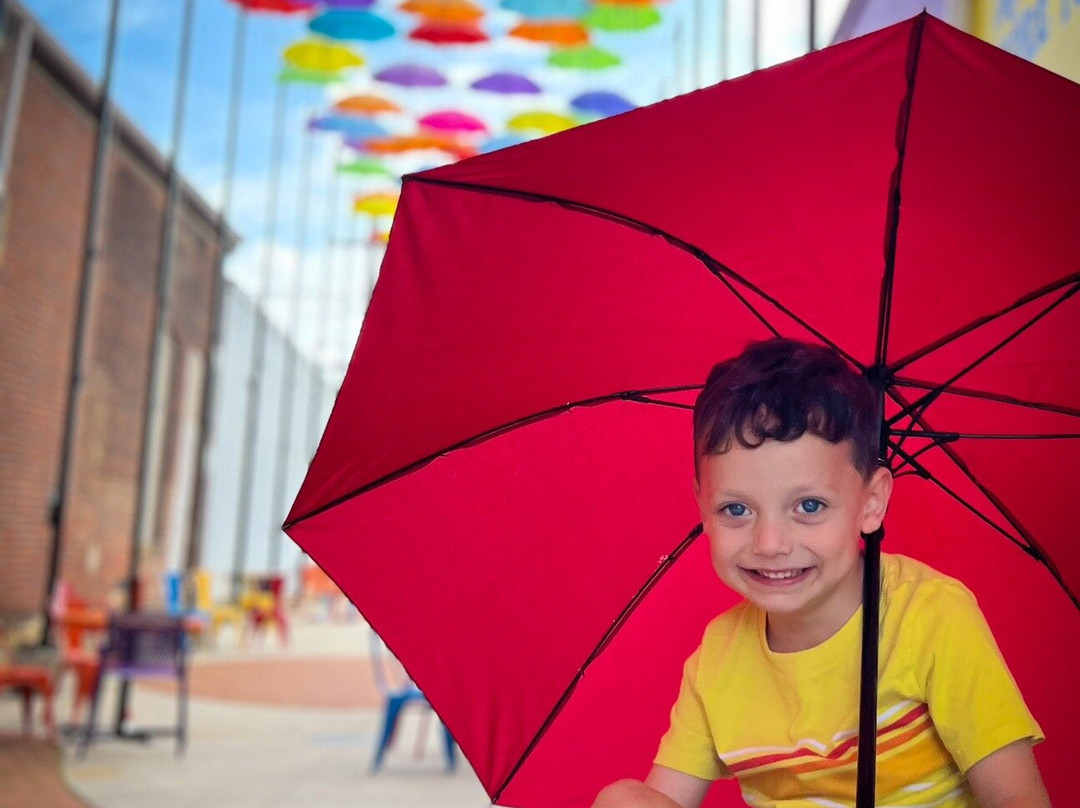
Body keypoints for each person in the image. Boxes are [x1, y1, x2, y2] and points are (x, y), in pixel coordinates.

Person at [593, 338, 1050, 808]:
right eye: (735, 509)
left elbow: (1018, 797)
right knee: (624, 800)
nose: (770, 544)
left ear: (871, 503)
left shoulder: (931, 616)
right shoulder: (718, 659)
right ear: (701, 505)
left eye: (809, 506)